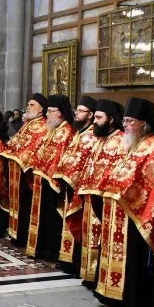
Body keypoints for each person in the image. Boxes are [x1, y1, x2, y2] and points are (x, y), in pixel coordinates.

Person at [93, 97, 154, 307]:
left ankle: (134, 302)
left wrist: (127, 193)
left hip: (138, 216)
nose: (125, 124)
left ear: (144, 123)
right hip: (119, 211)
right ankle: (111, 295)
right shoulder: (131, 143)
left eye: (130, 121)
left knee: (134, 261)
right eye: (125, 120)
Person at [76, 100, 124, 287]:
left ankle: (97, 276)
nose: (94, 121)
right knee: (90, 237)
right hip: (90, 196)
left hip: (105, 199)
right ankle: (90, 274)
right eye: (94, 117)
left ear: (111, 119)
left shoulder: (120, 140)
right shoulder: (100, 139)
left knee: (100, 238)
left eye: (98, 117)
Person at [52, 95, 98, 274]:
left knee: (77, 224)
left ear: (91, 114)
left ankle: (75, 262)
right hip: (68, 185)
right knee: (67, 222)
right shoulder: (79, 132)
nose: (76, 113)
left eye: (81, 110)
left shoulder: (92, 134)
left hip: (80, 187)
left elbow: (84, 161)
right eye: (76, 110)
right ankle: (66, 258)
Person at [26, 95, 75, 260]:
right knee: (43, 218)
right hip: (43, 181)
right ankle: (42, 249)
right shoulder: (53, 129)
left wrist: (50, 175)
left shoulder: (66, 131)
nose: (48, 114)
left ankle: (51, 251)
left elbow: (60, 158)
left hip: (53, 184)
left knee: (51, 219)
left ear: (60, 113)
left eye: (50, 111)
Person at [0, 94, 50, 247]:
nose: (28, 107)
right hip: (16, 171)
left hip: (27, 175)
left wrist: (15, 155)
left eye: (32, 105)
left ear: (41, 110)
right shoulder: (28, 124)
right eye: (28, 104)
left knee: (26, 207)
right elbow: (15, 142)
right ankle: (16, 234)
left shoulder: (42, 126)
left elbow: (33, 149)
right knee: (19, 205)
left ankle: (23, 237)